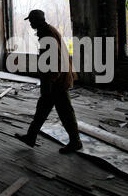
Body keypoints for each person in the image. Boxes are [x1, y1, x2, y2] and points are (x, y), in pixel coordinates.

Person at [15, 9, 83, 154]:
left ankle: (75, 142)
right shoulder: (46, 31)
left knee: (64, 112)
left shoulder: (47, 34)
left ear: (38, 20)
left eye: (32, 20)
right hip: (55, 79)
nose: (31, 23)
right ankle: (31, 137)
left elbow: (55, 61)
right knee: (43, 110)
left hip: (57, 81)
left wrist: (50, 82)